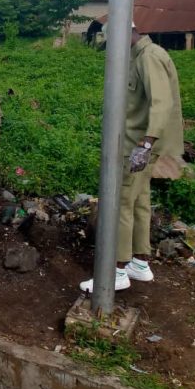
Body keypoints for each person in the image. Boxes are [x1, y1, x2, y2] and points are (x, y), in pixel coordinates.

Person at [80, 23, 184, 292]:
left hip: (137, 148)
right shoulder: (139, 56)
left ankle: (116, 270)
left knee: (120, 204)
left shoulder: (150, 57)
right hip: (136, 146)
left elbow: (162, 103)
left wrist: (146, 143)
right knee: (139, 203)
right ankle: (139, 263)